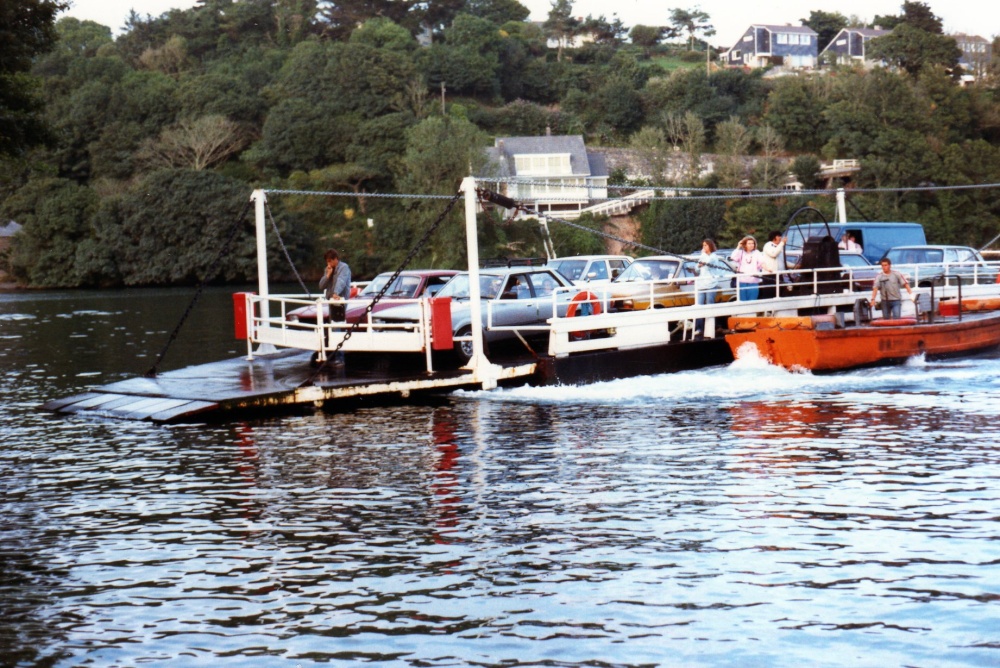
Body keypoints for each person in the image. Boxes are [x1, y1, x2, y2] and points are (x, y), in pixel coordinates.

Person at [318, 249, 351, 365]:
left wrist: (336, 292)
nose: (329, 264)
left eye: (330, 261)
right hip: (332, 301)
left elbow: (341, 281)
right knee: (333, 327)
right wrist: (327, 275)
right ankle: (333, 354)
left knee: (337, 327)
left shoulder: (344, 268)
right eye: (327, 262)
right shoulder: (328, 269)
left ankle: (340, 357)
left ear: (335, 259)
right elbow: (321, 286)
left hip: (340, 301)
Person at [694, 239, 720, 337]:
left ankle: (710, 327)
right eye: (703, 245)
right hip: (701, 284)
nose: (704, 247)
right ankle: (699, 328)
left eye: (706, 245)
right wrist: (700, 263)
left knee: (710, 305)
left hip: (711, 284)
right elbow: (697, 268)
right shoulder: (703, 256)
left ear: (710, 246)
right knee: (699, 306)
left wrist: (702, 259)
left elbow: (708, 264)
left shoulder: (714, 256)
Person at [730, 235, 764, 301]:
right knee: (743, 300)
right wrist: (738, 246)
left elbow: (762, 263)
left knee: (752, 300)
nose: (751, 245)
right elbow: (733, 257)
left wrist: (768, 269)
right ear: (745, 244)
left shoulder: (757, 253)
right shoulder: (741, 253)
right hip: (742, 281)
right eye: (749, 243)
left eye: (752, 243)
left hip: (753, 281)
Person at [760, 230, 785, 299]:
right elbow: (773, 254)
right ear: (774, 237)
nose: (780, 238)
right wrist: (782, 243)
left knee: (779, 293)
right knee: (769, 294)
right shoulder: (768, 245)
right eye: (778, 236)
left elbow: (782, 261)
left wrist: (795, 266)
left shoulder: (779, 247)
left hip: (779, 275)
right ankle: (768, 309)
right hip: (770, 275)